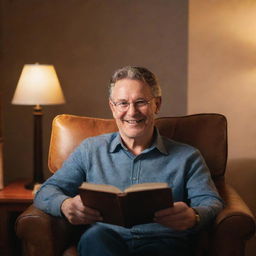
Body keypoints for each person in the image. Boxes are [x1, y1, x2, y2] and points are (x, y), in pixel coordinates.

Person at [34, 66, 224, 256]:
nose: (132, 112)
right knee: (95, 239)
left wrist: (194, 216)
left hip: (165, 242)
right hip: (104, 239)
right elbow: (46, 191)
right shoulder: (89, 150)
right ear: (112, 107)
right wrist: (64, 204)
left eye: (140, 102)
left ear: (156, 105)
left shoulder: (188, 157)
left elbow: (211, 202)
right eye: (123, 103)